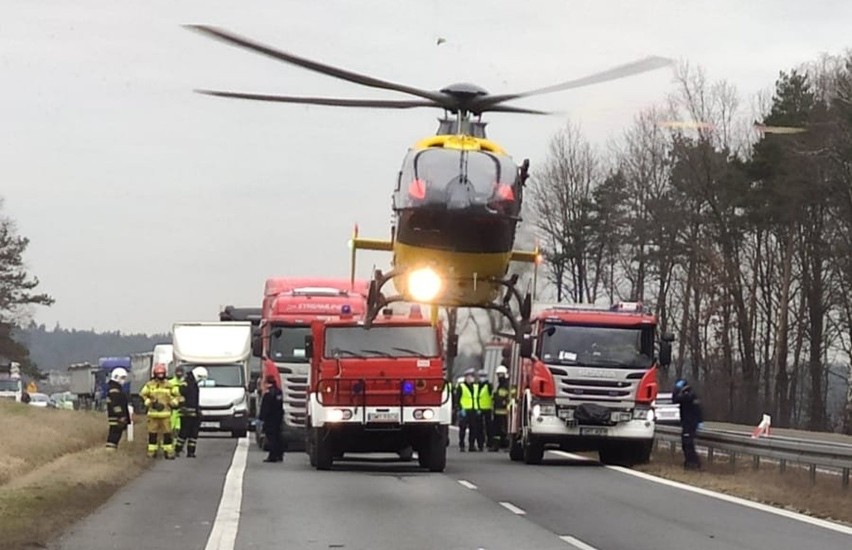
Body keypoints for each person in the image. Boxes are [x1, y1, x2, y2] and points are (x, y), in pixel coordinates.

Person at [140, 364, 180, 459]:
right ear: (155, 374)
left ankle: (168, 451)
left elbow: (178, 396)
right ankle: (152, 451)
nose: (160, 376)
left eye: (162, 374)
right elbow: (142, 395)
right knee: (152, 434)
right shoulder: (149, 385)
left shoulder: (169, 385)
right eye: (158, 374)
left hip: (165, 414)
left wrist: (172, 403)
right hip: (153, 414)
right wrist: (150, 403)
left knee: (167, 434)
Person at [672, 378, 703, 470]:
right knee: (686, 444)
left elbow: (675, 399)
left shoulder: (687, 395)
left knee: (687, 444)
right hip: (689, 423)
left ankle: (693, 463)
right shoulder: (692, 394)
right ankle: (690, 462)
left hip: (689, 423)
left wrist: (676, 390)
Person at [175, 367, 203, 458]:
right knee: (184, 433)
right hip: (186, 413)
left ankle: (191, 452)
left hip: (193, 412)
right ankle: (178, 450)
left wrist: (197, 410)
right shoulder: (186, 383)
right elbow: (182, 393)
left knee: (193, 434)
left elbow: (195, 400)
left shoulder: (193, 384)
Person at [259, 374, 284, 462]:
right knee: (278, 436)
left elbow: (265, 408)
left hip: (270, 419)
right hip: (278, 417)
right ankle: (279, 455)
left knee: (271, 437)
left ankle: (272, 456)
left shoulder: (268, 393)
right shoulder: (279, 392)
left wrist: (261, 418)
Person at [455, 368, 481, 452]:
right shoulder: (461, 386)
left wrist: (478, 409)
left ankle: (471, 446)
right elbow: (457, 399)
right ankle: (462, 445)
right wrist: (460, 409)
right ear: (465, 377)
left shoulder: (476, 386)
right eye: (469, 377)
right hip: (465, 411)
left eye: (472, 377)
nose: (470, 378)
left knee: (473, 429)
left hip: (473, 410)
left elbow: (477, 398)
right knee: (462, 429)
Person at [105, 367, 130, 450]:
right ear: (116, 377)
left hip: (116, 417)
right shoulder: (114, 390)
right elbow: (116, 405)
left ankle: (111, 451)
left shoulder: (115, 388)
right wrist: (121, 416)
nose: (123, 380)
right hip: (116, 417)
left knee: (115, 434)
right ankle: (110, 452)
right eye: (122, 378)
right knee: (114, 435)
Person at [490, 365, 510, 451]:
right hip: (497, 412)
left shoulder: (507, 385)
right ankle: (496, 445)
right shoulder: (499, 386)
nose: (499, 377)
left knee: (504, 430)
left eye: (501, 375)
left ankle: (506, 445)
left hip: (505, 412)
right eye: (498, 375)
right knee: (496, 430)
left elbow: (509, 397)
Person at [169, 365, 186, 446]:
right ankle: (170, 444)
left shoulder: (185, 383)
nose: (179, 374)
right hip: (172, 409)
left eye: (181, 372)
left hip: (181, 409)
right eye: (178, 372)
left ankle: (176, 446)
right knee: (170, 429)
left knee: (178, 429)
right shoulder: (170, 383)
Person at [476, 369, 493, 452]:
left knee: (488, 427)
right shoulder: (477, 386)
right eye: (480, 376)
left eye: (483, 376)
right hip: (478, 409)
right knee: (479, 428)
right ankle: (480, 444)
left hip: (487, 408)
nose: (482, 378)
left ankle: (489, 443)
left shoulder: (488, 386)